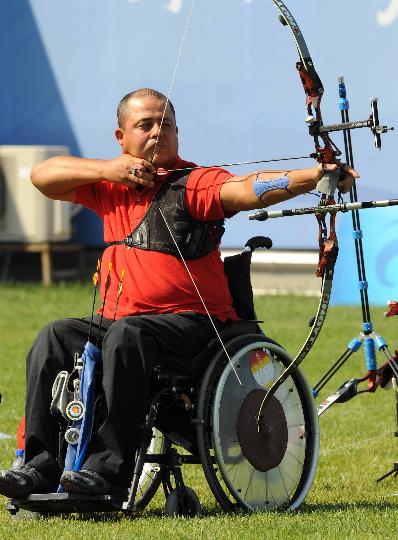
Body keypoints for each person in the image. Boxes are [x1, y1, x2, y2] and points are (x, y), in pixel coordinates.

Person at [0, 88, 358, 499]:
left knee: (126, 335)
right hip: (123, 324)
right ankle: (38, 466)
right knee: (54, 336)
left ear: (177, 133)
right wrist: (107, 170)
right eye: (145, 125)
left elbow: (247, 188)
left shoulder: (194, 183)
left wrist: (313, 176)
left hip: (194, 326)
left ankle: (109, 470)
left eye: (165, 124)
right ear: (121, 136)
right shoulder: (109, 186)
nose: (157, 132)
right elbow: (41, 176)